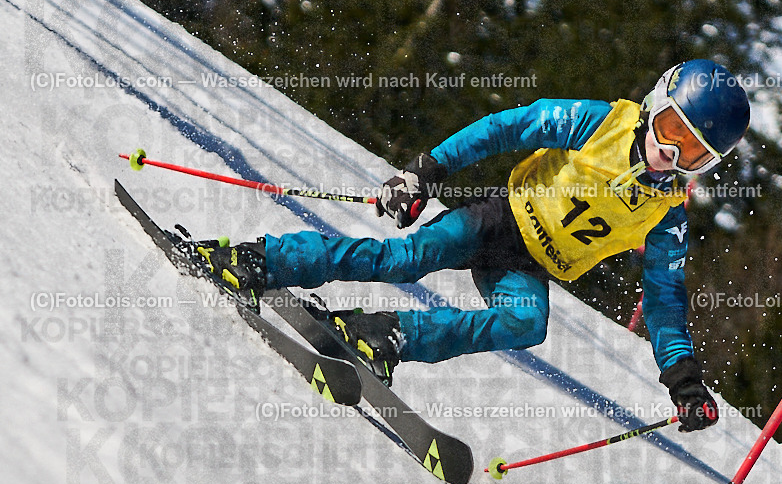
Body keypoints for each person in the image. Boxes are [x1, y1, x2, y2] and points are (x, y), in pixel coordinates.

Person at [198, 60, 750, 432]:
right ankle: (262, 259)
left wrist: (683, 380)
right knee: (404, 259)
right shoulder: (599, 123)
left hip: (529, 266)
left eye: (693, 155)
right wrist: (428, 171)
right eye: (672, 131)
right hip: (497, 218)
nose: (669, 156)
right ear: (657, 103)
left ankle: (386, 334)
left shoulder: (666, 214)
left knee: (526, 324)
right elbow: (508, 128)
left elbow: (664, 302)